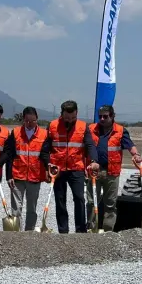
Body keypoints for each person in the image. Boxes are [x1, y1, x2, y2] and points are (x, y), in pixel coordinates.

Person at [41, 100, 99, 233]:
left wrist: (94, 160)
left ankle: (80, 230)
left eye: (73, 117)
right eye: (67, 118)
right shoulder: (53, 126)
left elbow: (90, 145)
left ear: (77, 113)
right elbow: (44, 150)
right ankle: (63, 231)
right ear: (61, 114)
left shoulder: (83, 127)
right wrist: (47, 164)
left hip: (76, 168)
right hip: (58, 169)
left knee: (79, 198)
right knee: (60, 200)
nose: (70, 120)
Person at [86, 105, 142, 231]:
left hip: (111, 172)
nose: (102, 119)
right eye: (100, 116)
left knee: (110, 203)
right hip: (93, 171)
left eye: (105, 116)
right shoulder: (91, 129)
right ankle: (91, 228)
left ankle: (107, 230)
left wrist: (136, 155)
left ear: (112, 116)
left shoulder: (120, 131)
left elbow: (130, 145)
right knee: (91, 202)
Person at [3, 106, 48, 231]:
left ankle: (29, 231)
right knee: (16, 207)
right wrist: (9, 176)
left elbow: (45, 155)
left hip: (35, 176)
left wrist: (48, 170)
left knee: (32, 207)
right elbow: (9, 155)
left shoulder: (44, 134)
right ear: (23, 119)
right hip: (17, 176)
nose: (30, 124)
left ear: (37, 119)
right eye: (27, 121)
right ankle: (16, 232)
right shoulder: (16, 133)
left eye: (33, 121)